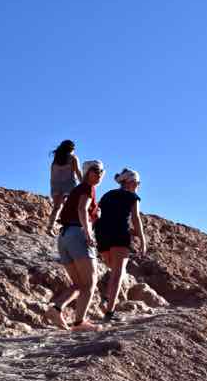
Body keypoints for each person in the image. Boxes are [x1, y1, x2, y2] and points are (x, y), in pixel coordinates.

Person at [49, 159, 104, 331]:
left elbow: (79, 209)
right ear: (87, 171)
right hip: (77, 234)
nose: (100, 173)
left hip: (64, 236)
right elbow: (82, 210)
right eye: (96, 170)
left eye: (103, 170)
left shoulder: (77, 190)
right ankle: (79, 323)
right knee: (90, 282)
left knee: (79, 284)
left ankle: (56, 308)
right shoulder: (88, 188)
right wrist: (88, 233)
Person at [95, 168, 148, 323]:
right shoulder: (132, 196)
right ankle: (109, 311)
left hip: (102, 234)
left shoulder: (107, 195)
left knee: (113, 269)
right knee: (118, 273)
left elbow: (98, 213)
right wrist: (143, 240)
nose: (138, 186)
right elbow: (136, 218)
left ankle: (106, 298)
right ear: (130, 182)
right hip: (119, 234)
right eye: (138, 183)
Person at [46, 140, 83, 233]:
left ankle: (50, 228)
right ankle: (70, 226)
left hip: (55, 185)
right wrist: (84, 184)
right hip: (69, 184)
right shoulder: (73, 158)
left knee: (57, 207)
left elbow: (52, 173)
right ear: (72, 149)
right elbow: (78, 172)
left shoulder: (56, 159)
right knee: (74, 206)